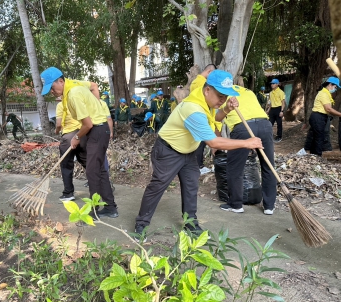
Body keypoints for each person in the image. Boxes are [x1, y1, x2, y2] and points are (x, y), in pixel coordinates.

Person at [133, 70, 263, 240]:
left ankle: (190, 223)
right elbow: (213, 142)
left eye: (226, 97)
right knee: (158, 186)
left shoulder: (203, 99)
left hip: (188, 151)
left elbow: (214, 117)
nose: (222, 100)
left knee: (191, 186)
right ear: (208, 90)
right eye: (220, 96)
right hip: (168, 151)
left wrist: (226, 109)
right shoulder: (193, 109)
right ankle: (141, 224)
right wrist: (247, 143)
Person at [41, 67, 118, 218]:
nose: (51, 92)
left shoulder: (73, 94)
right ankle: (110, 207)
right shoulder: (74, 87)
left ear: (61, 81)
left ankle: (94, 212)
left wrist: (76, 137)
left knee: (92, 171)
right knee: (100, 170)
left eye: (52, 87)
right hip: (97, 130)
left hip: (97, 129)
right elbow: (93, 88)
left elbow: (88, 124)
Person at [215, 85, 277, 215]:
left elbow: (217, 118)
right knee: (268, 166)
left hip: (242, 126)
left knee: (235, 168)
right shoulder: (246, 90)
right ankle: (269, 207)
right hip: (265, 125)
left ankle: (236, 205)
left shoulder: (220, 93)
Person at [55, 101, 87, 201]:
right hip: (82, 135)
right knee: (88, 162)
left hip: (69, 137)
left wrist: (56, 131)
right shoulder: (78, 102)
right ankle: (104, 186)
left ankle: (68, 193)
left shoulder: (61, 105)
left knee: (66, 164)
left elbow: (59, 124)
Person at [307, 76, 341, 156]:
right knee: (319, 137)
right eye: (335, 87)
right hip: (318, 117)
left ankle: (313, 155)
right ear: (330, 85)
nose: (335, 89)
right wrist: (340, 114)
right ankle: (317, 156)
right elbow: (328, 109)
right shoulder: (323, 94)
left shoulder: (326, 93)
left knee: (316, 136)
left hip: (320, 117)